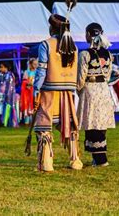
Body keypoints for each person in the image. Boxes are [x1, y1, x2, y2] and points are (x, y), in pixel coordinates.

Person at [33, 13, 82, 171]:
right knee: (69, 124)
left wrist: (36, 89)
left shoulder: (46, 44)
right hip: (67, 92)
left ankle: (46, 163)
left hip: (49, 91)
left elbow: (41, 70)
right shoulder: (73, 46)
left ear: (52, 27)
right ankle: (75, 160)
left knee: (44, 125)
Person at [77, 22, 115, 167]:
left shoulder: (85, 54)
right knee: (101, 123)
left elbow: (81, 75)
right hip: (103, 89)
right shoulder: (108, 54)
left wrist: (79, 89)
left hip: (90, 89)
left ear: (88, 34)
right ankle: (99, 157)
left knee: (92, 122)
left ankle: (100, 159)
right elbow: (108, 74)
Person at [0, 62, 17, 127]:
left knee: (9, 108)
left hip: (9, 95)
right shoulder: (1, 75)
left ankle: (10, 123)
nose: (0, 69)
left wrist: (7, 94)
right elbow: (0, 85)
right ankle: (1, 122)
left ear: (6, 67)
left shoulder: (10, 75)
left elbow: (10, 86)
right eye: (0, 67)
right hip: (1, 94)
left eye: (1, 67)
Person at [20, 58, 37, 125]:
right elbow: (24, 81)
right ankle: (27, 121)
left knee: (34, 105)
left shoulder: (37, 72)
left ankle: (34, 121)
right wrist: (28, 83)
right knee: (27, 104)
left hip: (35, 91)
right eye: (34, 64)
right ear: (30, 64)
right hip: (28, 91)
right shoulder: (27, 72)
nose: (35, 65)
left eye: (36, 64)